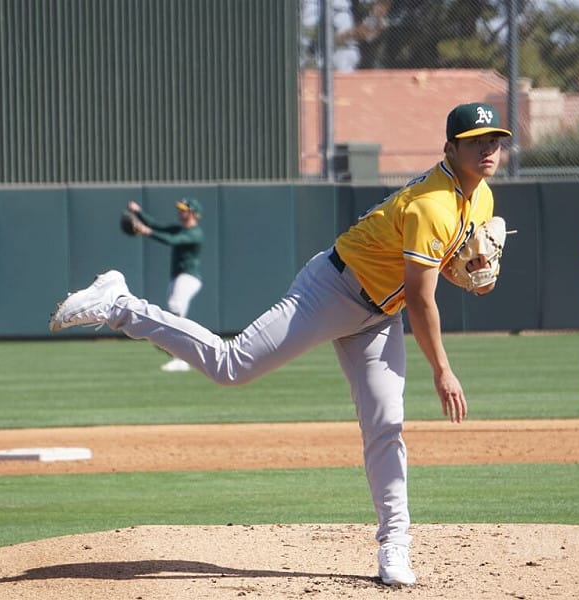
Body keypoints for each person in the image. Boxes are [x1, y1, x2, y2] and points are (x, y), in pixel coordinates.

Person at [49, 102, 512, 586]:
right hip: (333, 290)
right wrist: (442, 370)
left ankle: (394, 544)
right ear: (449, 147)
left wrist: (469, 273)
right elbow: (420, 298)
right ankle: (120, 304)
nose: (488, 149)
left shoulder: (480, 198)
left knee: (386, 425)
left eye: (494, 140)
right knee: (231, 366)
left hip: (379, 315)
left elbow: (437, 268)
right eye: (475, 141)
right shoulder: (431, 205)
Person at [127, 197, 204, 372]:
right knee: (175, 315)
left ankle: (181, 356)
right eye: (180, 209)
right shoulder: (181, 228)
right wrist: (138, 212)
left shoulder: (195, 233)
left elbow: (172, 240)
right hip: (178, 277)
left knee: (175, 308)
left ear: (192, 213)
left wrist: (147, 231)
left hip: (189, 277)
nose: (180, 212)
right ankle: (181, 354)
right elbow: (157, 225)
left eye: (183, 209)